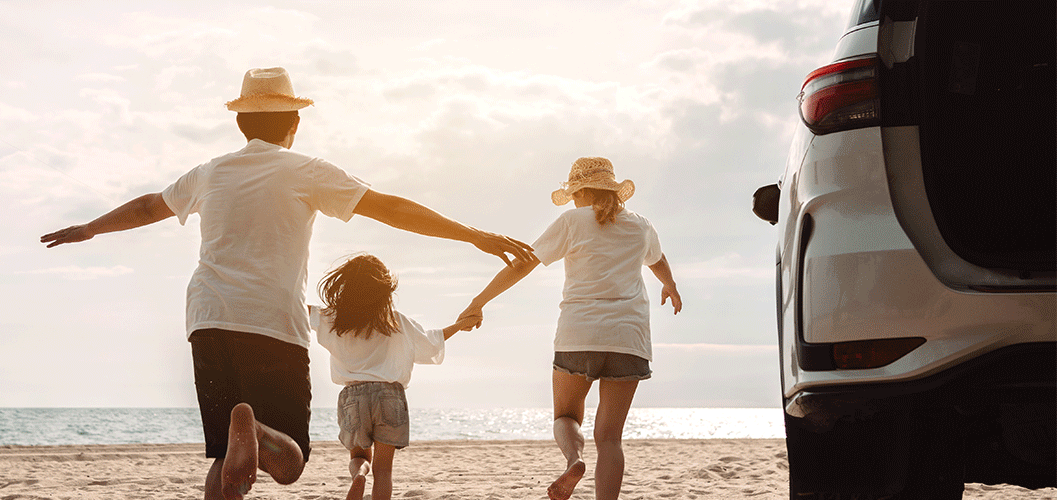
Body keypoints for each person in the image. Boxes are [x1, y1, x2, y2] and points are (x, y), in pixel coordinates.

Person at [39, 67, 534, 500]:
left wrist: (90, 229)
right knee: (291, 464)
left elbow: (150, 205)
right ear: (294, 125)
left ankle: (242, 430)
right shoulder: (307, 171)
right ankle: (253, 427)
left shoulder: (210, 172)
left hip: (207, 319)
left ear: (239, 122)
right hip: (273, 322)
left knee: (223, 458)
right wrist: (475, 235)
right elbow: (391, 208)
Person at [460, 157, 681, 500]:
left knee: (565, 415)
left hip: (580, 335)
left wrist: (479, 301)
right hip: (629, 339)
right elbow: (659, 259)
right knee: (609, 439)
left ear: (580, 192)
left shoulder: (573, 220)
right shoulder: (640, 225)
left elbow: (523, 264)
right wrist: (670, 286)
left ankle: (574, 459)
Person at [309, 253, 535, 500]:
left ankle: (359, 476)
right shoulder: (396, 321)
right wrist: (459, 325)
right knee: (384, 471)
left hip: (353, 396)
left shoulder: (333, 318)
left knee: (360, 457)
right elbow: (430, 341)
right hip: (390, 396)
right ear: (384, 291)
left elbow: (297, 307)